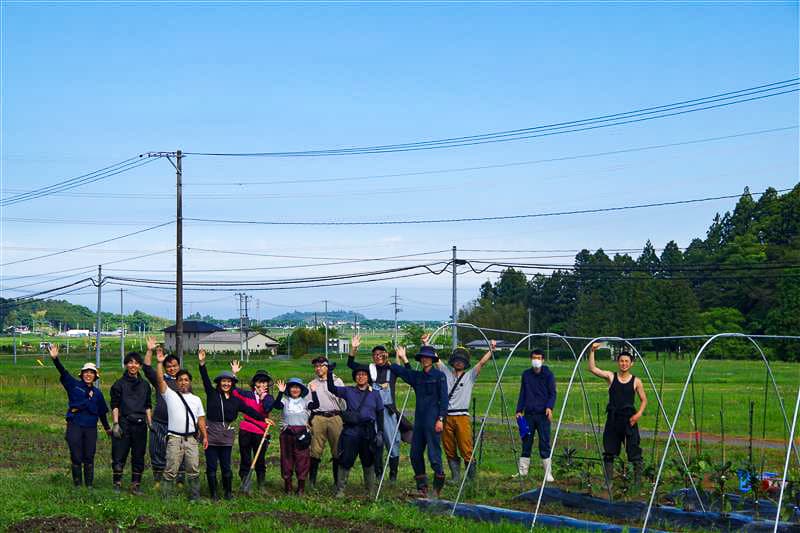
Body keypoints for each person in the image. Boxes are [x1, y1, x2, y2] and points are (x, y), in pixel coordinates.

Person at [198, 350, 268, 500]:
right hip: (211, 433)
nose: (226, 383)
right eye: (223, 381)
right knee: (211, 466)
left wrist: (263, 419)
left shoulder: (236, 400)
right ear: (219, 383)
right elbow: (204, 379)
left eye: (229, 381)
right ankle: (214, 494)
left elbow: (249, 410)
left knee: (226, 466)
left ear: (232, 383)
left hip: (226, 435)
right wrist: (202, 364)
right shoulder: (212, 394)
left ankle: (228, 493)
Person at [48, 343, 110, 488]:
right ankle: (77, 485)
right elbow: (63, 373)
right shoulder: (73, 385)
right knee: (76, 456)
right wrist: (55, 359)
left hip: (90, 428)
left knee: (89, 457)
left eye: (92, 372)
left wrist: (107, 428)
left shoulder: (98, 394)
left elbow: (102, 413)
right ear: (82, 374)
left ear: (95, 376)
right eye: (86, 372)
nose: (88, 374)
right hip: (75, 424)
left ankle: (88, 486)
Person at [434, 337, 495, 484]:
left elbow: (481, 363)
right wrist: (426, 344)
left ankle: (470, 479)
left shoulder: (469, 376)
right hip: (446, 416)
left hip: (462, 416)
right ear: (453, 361)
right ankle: (455, 477)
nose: (459, 362)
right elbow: (436, 360)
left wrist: (491, 350)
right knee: (448, 447)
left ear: (465, 363)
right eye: (456, 360)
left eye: (461, 361)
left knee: (466, 446)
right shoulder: (446, 373)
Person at [588, 343, 648, 491]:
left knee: (634, 450)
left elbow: (644, 400)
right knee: (609, 450)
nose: (624, 363)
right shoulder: (611, 377)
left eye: (627, 361)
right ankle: (608, 482)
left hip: (629, 420)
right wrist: (592, 351)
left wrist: (638, 414)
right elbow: (593, 369)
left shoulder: (636, 381)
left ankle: (637, 483)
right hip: (613, 420)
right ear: (618, 362)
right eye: (621, 361)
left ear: (631, 363)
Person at [391, 344, 448, 498]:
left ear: (432, 359)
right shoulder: (418, 377)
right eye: (423, 357)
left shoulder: (439, 376)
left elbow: (444, 400)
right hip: (420, 422)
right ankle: (422, 488)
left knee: (434, 455)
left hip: (433, 421)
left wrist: (441, 419)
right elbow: (402, 371)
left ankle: (436, 489)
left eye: (427, 357)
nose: (425, 360)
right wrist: (398, 358)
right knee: (415, 454)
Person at [153, 347, 208, 500]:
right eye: (180, 380)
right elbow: (160, 380)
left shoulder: (196, 399)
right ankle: (166, 497)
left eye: (186, 380)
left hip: (191, 439)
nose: (183, 382)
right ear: (176, 383)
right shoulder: (170, 395)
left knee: (193, 468)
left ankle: (194, 496)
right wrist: (159, 363)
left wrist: (204, 436)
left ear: (190, 382)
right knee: (171, 468)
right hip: (174, 438)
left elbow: (201, 419)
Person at [325, 361, 384, 497]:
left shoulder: (375, 394)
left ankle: (370, 491)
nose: (361, 377)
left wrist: (380, 432)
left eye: (363, 375)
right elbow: (331, 388)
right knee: (345, 459)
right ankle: (340, 490)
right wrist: (329, 373)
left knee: (368, 461)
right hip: (351, 431)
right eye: (358, 375)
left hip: (368, 432)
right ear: (355, 377)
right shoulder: (348, 391)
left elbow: (380, 413)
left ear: (368, 377)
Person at [347, 336, 402, 482]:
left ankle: (393, 475)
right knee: (376, 444)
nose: (378, 356)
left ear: (385, 355)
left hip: (388, 412)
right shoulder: (369, 370)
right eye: (375, 354)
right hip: (372, 413)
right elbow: (350, 363)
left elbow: (405, 371)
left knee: (392, 444)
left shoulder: (392, 370)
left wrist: (400, 357)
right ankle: (378, 475)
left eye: (381, 354)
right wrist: (354, 348)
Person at [142, 336, 184, 487]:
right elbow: (146, 368)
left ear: (179, 366)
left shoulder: (184, 381)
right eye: (169, 366)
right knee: (157, 451)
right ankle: (158, 480)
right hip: (159, 422)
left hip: (178, 424)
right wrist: (149, 350)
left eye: (174, 366)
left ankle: (180, 480)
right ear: (165, 368)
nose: (172, 368)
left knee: (180, 452)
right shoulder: (161, 379)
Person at [109, 351, 152, 494]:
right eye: (130, 362)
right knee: (119, 454)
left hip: (140, 424)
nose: (133, 365)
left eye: (136, 363)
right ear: (126, 364)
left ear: (139, 365)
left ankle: (135, 485)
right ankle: (117, 484)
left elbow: (148, 405)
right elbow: (114, 405)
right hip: (124, 423)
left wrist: (150, 423)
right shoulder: (118, 384)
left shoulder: (145, 385)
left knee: (139, 456)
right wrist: (115, 424)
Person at [514, 349, 557, 482]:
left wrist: (549, 407)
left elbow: (553, 393)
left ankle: (548, 473)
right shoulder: (526, 375)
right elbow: (523, 393)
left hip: (543, 415)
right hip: (529, 414)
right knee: (526, 440)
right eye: (534, 357)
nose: (536, 360)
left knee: (544, 442)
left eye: (538, 358)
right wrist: (519, 410)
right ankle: (523, 471)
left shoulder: (548, 375)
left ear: (543, 360)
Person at [272, 377, 320, 495]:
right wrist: (280, 392)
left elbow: (316, 405)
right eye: (293, 387)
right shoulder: (285, 400)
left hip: (302, 434)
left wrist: (314, 392)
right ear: (289, 389)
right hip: (287, 433)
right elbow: (276, 405)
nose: (295, 389)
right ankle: (288, 487)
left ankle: (301, 488)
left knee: (302, 459)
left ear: (301, 389)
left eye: (297, 387)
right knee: (287, 458)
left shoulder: (305, 401)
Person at [232, 368, 274, 491]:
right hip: (246, 430)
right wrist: (234, 374)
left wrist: (262, 397)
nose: (261, 385)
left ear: (267, 384)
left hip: (261, 432)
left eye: (264, 382)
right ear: (254, 383)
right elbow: (233, 390)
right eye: (259, 382)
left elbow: (267, 409)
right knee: (245, 458)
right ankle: (245, 484)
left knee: (260, 459)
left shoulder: (269, 398)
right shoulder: (247, 395)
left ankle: (261, 485)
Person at [307, 355, 345, 488]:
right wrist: (308, 419)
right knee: (315, 449)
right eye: (315, 366)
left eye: (320, 366)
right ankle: (312, 481)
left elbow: (343, 400)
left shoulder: (337, 381)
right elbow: (308, 403)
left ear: (327, 367)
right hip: (318, 417)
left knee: (337, 449)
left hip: (335, 416)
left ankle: (337, 482)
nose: (317, 369)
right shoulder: (312, 384)